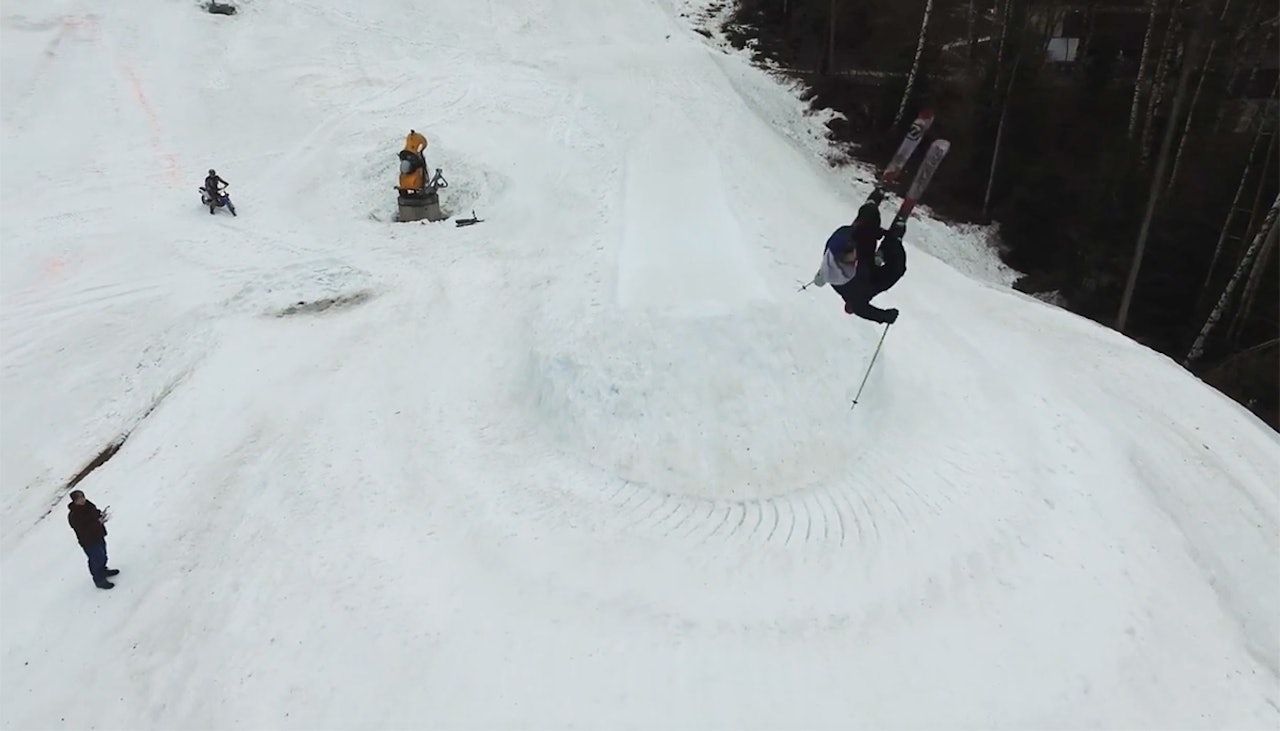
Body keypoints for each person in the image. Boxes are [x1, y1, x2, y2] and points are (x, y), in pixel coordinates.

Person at [816, 196, 907, 325]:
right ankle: (894, 240)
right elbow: (861, 310)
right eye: (850, 253)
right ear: (841, 260)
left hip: (863, 259)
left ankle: (871, 204)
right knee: (897, 269)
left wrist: (876, 230)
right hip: (869, 281)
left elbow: (858, 230)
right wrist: (885, 316)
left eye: (852, 249)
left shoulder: (843, 237)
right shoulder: (849, 289)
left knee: (867, 223)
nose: (854, 253)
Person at [67, 490, 118, 589]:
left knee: (103, 555)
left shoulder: (89, 505)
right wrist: (98, 522)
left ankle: (103, 570)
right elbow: (83, 528)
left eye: (82, 497)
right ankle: (99, 580)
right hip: (88, 541)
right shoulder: (74, 515)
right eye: (78, 499)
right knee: (96, 559)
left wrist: (101, 515)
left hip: (98, 535)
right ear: (74, 501)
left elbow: (95, 513)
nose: (82, 500)